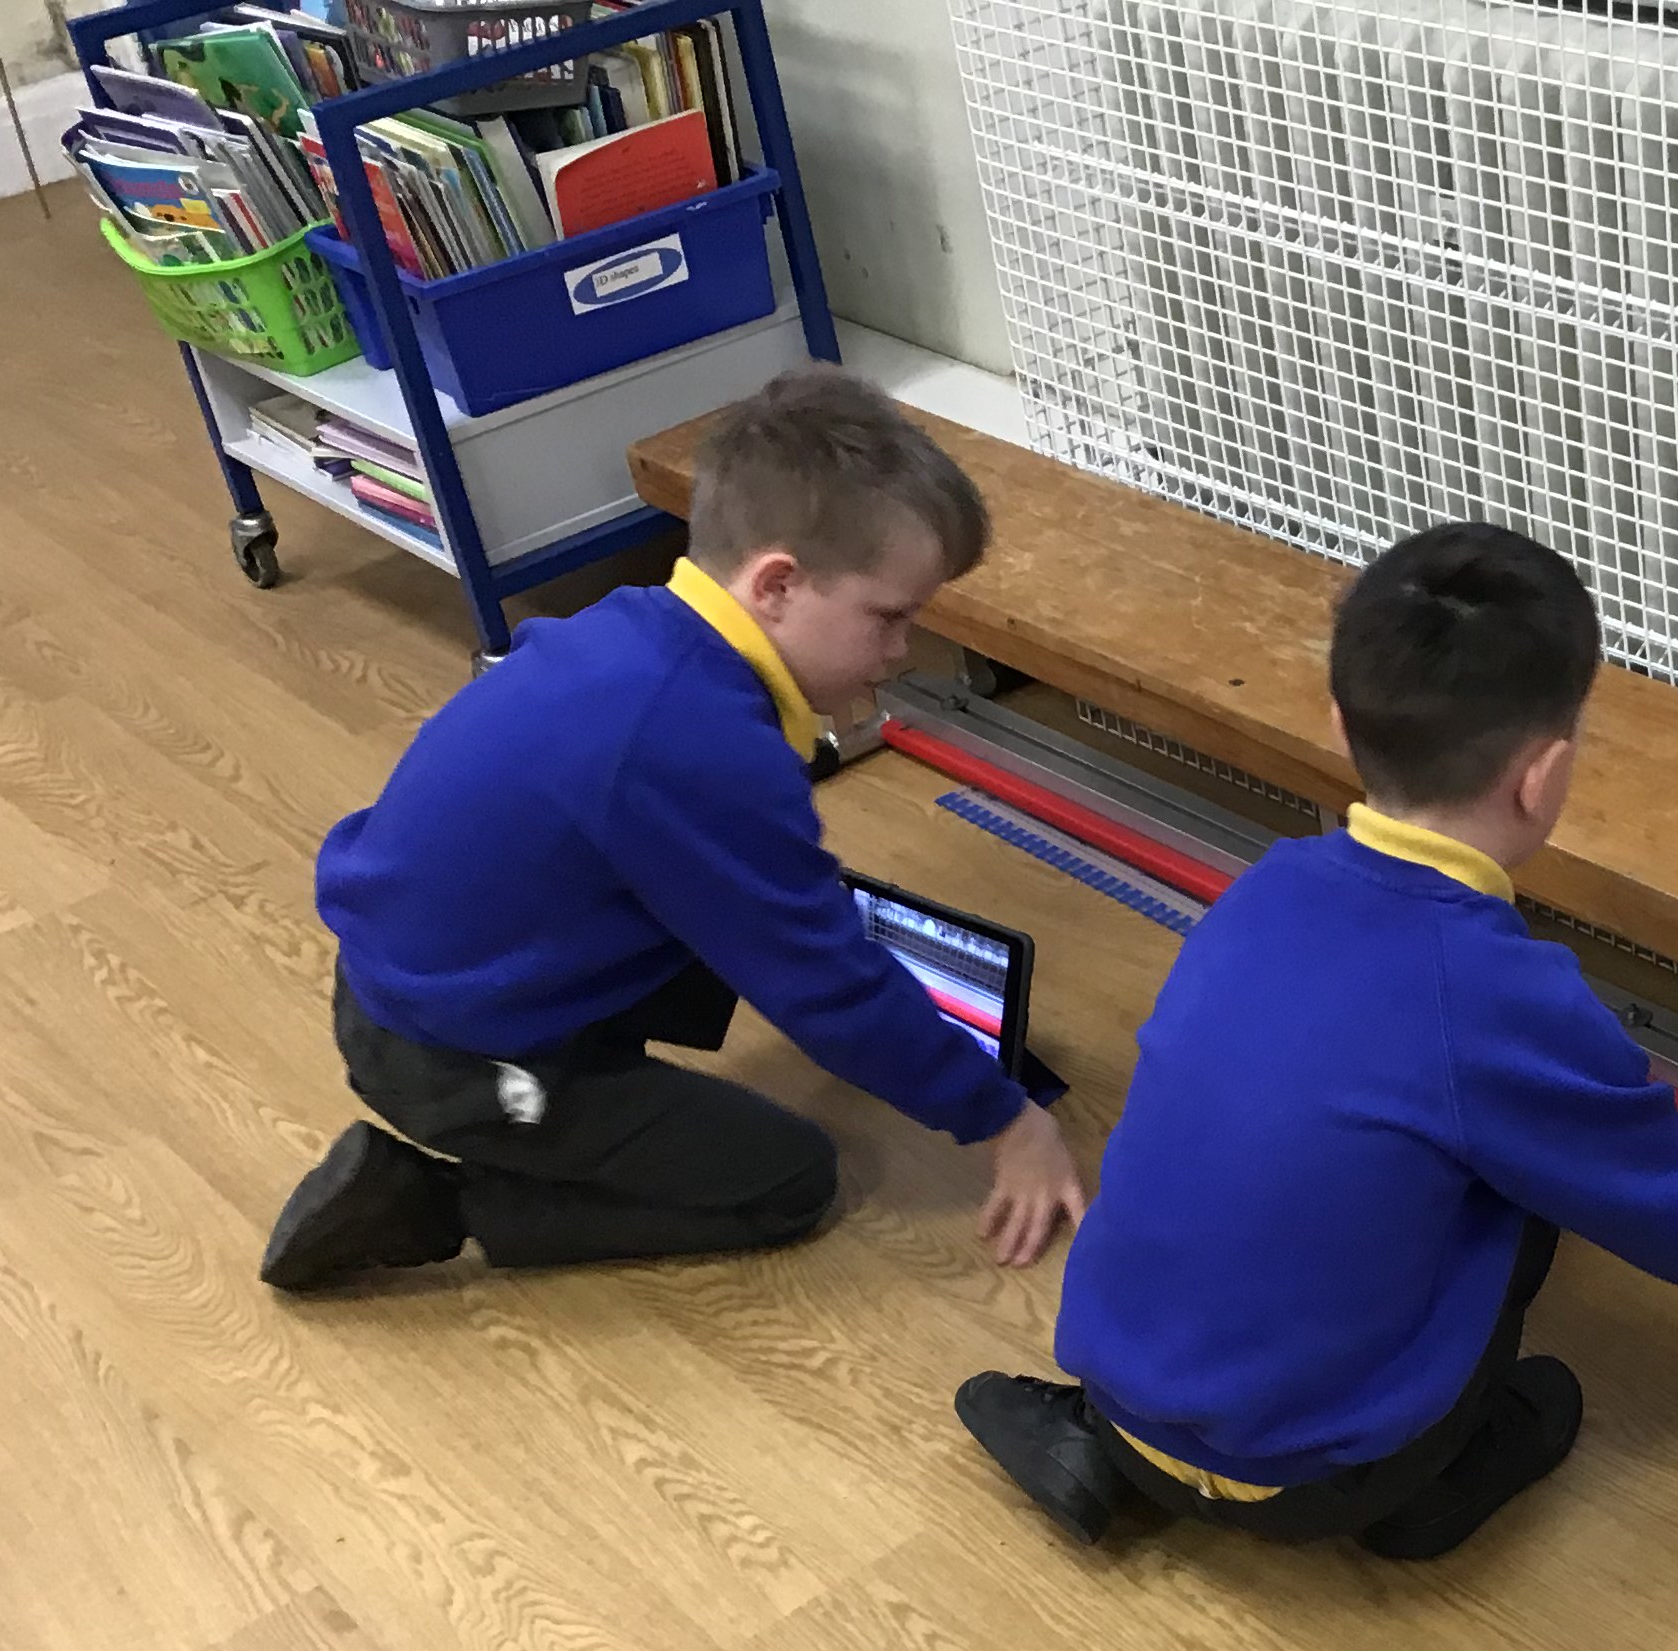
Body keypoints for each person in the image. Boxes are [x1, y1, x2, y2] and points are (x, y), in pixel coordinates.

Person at [956, 521, 1678, 1557]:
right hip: (1309, 1474)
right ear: (1545, 777)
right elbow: (1669, 1198)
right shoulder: (1501, 995)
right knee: (1529, 1207)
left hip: (1116, 1384)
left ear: (1340, 723)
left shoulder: (1265, 887)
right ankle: (1416, 1490)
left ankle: (1107, 1456)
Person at [262, 368, 1083, 1291]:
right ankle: (428, 1201)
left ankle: (576, 1091)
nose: (900, 652)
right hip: (447, 1051)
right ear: (777, 584)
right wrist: (1005, 1120)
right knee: (788, 1181)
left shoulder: (637, 626)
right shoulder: (695, 744)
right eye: (889, 619)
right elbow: (822, 985)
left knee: (759, 914)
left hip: (420, 972)